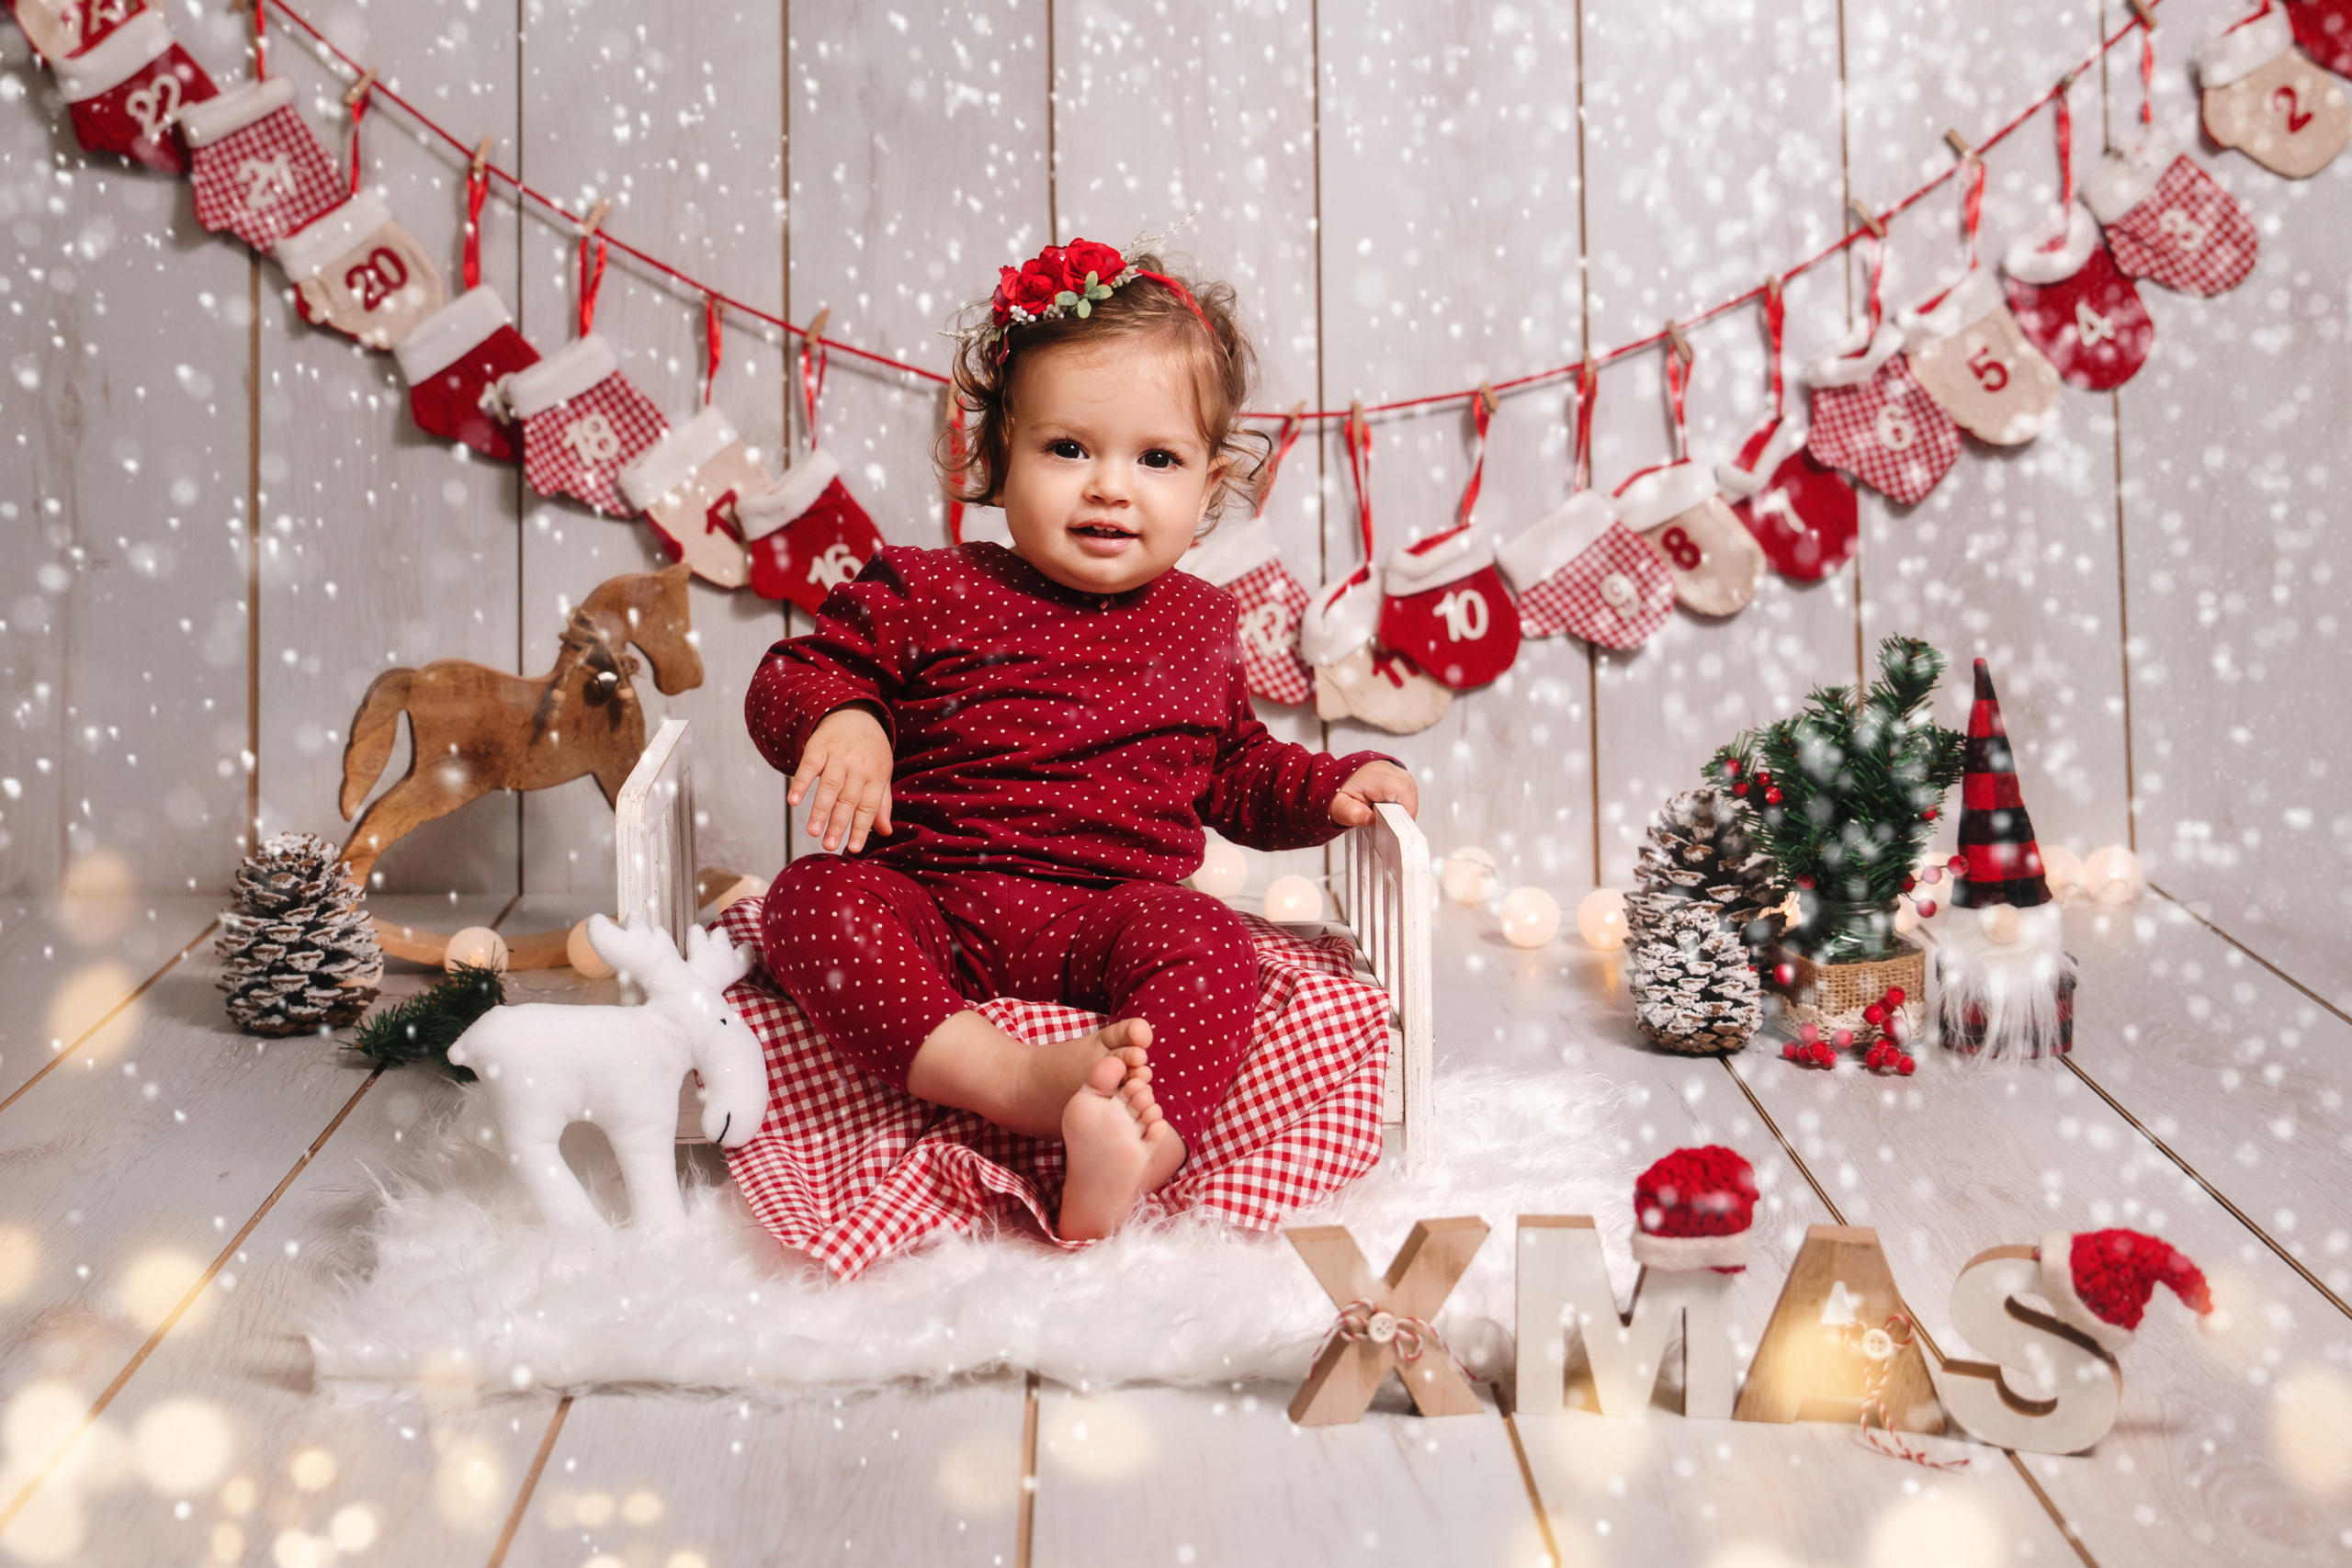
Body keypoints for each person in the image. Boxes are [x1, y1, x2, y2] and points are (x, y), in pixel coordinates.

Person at [745, 232, 1418, 1240]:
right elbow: (796, 673)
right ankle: (1007, 1078)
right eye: (1068, 448)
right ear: (992, 457)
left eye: (1156, 458)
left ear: (1208, 487)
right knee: (809, 904)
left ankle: (1138, 1149)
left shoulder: (1202, 621)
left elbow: (1232, 770)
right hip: (933, 898)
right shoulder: (928, 588)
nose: (1110, 485)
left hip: (1114, 918)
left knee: (1214, 946)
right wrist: (844, 719)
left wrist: (1329, 785)